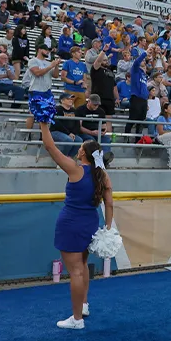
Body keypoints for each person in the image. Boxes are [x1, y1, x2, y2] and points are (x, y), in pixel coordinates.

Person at [39, 122, 113, 329]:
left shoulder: (75, 169)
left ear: (84, 155)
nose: (79, 148)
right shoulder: (102, 175)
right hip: (91, 224)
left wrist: (43, 123)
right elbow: (109, 203)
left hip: (71, 224)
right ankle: (84, 305)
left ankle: (77, 319)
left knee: (76, 272)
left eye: (81, 147)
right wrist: (107, 229)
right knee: (82, 267)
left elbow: (50, 147)